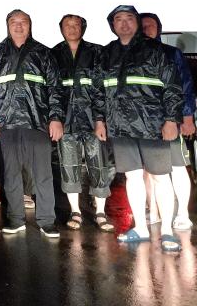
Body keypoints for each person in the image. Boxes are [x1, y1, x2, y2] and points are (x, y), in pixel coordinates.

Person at [98, 5, 183, 252]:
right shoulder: (107, 53)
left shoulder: (155, 50)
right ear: (112, 25)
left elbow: (173, 87)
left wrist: (171, 120)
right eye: (118, 19)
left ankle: (167, 231)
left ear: (136, 22)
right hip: (120, 126)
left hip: (153, 125)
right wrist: (100, 120)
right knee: (132, 176)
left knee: (160, 177)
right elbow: (99, 90)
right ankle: (141, 228)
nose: (124, 23)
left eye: (129, 18)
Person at [0, 10, 64, 238]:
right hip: (8, 123)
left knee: (43, 174)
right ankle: (16, 219)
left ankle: (47, 221)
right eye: (14, 22)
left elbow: (55, 88)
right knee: (11, 174)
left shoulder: (43, 53)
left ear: (30, 25)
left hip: (37, 121)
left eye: (23, 22)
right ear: (7, 25)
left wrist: (55, 118)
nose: (18, 26)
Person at [51, 14, 115, 232]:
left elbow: (101, 89)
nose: (72, 28)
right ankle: (75, 211)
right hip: (66, 122)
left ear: (83, 27)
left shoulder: (96, 52)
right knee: (68, 166)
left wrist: (100, 120)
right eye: (67, 25)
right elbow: (52, 90)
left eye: (76, 24)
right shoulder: (54, 54)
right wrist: (55, 119)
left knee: (99, 165)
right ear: (61, 29)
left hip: (92, 120)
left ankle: (100, 212)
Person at [140, 12, 196, 231]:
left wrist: (188, 117)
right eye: (142, 26)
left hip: (172, 120)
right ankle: (153, 210)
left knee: (178, 167)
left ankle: (182, 213)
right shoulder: (133, 54)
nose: (146, 29)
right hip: (145, 123)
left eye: (150, 26)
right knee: (148, 171)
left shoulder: (172, 53)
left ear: (159, 29)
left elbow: (186, 85)